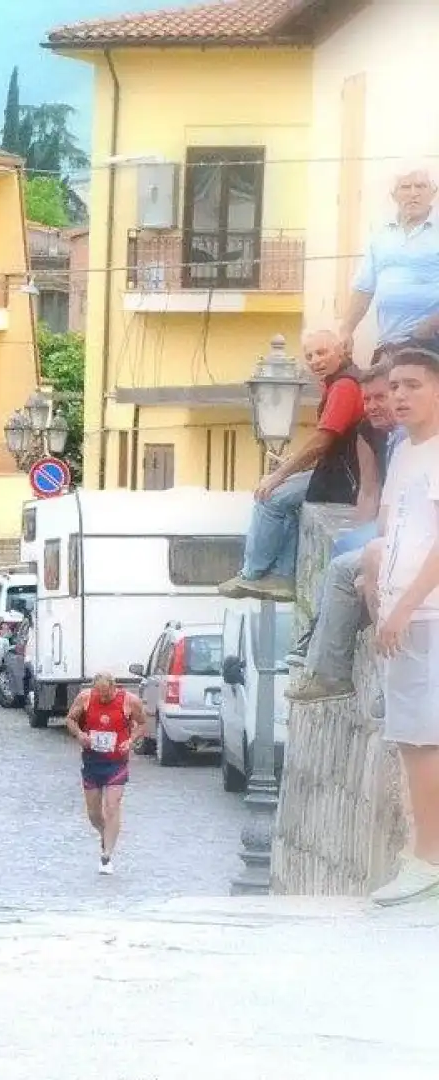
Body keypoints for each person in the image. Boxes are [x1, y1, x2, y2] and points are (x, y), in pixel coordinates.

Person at [368, 346, 439, 906]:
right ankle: (422, 852)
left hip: (426, 614)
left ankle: (428, 859)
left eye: (413, 385)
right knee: (411, 739)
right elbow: (392, 536)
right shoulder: (405, 455)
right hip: (402, 610)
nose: (399, 396)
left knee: (424, 738)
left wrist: (404, 608)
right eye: (395, 387)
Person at [219, 329, 365, 603]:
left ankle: (252, 575)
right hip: (338, 472)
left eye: (322, 352)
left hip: (341, 478)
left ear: (342, 352)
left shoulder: (344, 386)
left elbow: (323, 439)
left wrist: (278, 475)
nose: (315, 360)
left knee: (271, 497)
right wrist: (292, 467)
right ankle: (282, 575)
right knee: (285, 499)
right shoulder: (337, 383)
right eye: (309, 355)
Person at [290, 364, 405, 699]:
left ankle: (321, 648)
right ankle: (322, 641)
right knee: (346, 547)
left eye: (380, 396)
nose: (372, 406)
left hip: (404, 535)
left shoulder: (412, 438)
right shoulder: (368, 433)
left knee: (348, 563)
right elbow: (369, 491)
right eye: (367, 399)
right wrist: (363, 532)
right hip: (389, 526)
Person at [339, 168, 439, 356]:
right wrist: (346, 329)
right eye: (405, 187)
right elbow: (363, 289)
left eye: (421, 186)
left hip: (432, 343)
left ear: (433, 193)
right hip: (389, 344)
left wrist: (429, 328)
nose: (413, 193)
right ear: (394, 195)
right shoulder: (381, 236)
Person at [63, 674, 146, 876]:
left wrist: (131, 740)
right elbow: (70, 720)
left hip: (116, 763)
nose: (103, 697)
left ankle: (106, 856)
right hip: (92, 761)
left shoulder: (129, 701)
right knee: (93, 814)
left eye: (106, 693)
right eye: (99, 693)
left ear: (113, 688)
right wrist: (80, 734)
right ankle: (105, 833)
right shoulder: (85, 698)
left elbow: (143, 724)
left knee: (112, 806)